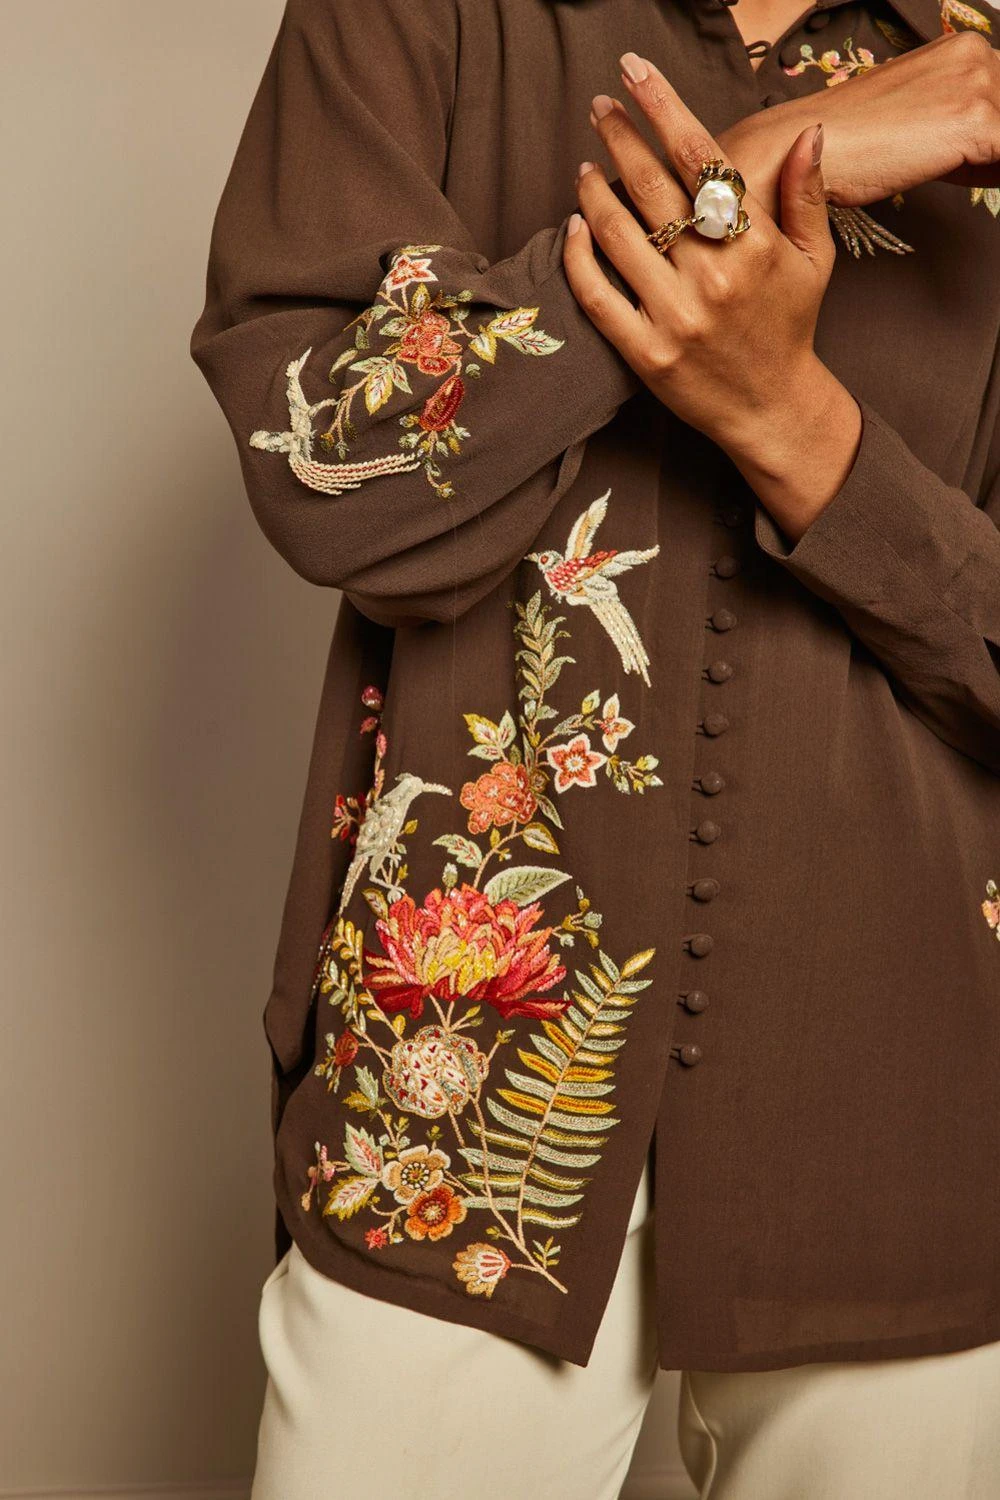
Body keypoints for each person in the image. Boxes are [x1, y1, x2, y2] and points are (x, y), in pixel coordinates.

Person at [189, 0, 1000, 1494]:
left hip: (912, 1080)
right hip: (454, 1086)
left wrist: (794, 424)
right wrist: (753, 173)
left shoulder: (988, 72)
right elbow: (325, 469)